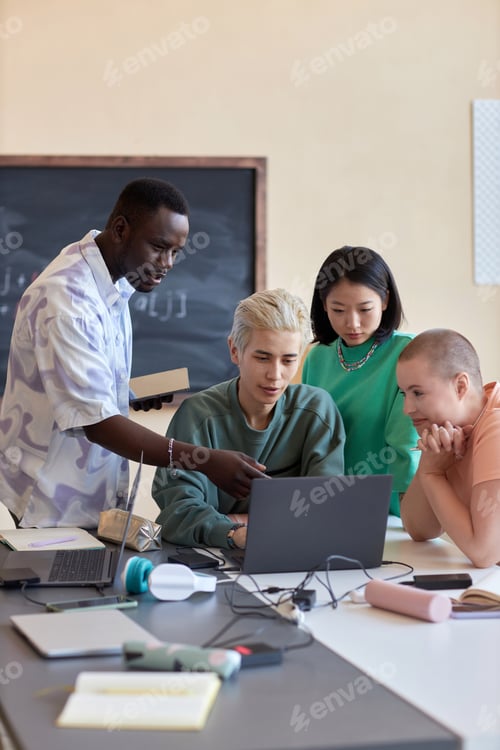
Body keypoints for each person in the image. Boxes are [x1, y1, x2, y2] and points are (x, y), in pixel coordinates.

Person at [0, 178, 266, 528]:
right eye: (158, 247)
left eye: (176, 252)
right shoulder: (68, 301)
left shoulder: (110, 279)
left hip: (85, 489)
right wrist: (204, 460)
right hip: (52, 500)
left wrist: (129, 392)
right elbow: (98, 425)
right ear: (121, 229)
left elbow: (78, 381)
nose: (168, 263)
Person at [153, 288, 345, 550]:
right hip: (213, 561)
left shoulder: (317, 411)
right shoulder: (198, 415)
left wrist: (238, 521)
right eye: (262, 358)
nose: (275, 375)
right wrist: (234, 534)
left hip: (296, 553)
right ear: (235, 350)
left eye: (288, 360)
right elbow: (177, 512)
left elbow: (324, 507)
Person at [301, 245, 419, 516]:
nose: (352, 323)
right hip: (328, 506)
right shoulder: (317, 358)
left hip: (392, 509)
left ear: (385, 300)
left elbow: (406, 445)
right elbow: (307, 440)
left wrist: (409, 513)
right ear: (324, 306)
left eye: (365, 309)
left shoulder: (408, 353)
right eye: (338, 310)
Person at [397, 328, 500, 568]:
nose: (407, 408)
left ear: (461, 386)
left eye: (418, 393)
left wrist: (433, 476)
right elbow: (419, 530)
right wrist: (430, 465)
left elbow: (485, 553)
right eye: (404, 393)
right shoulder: (449, 429)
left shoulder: (495, 427)